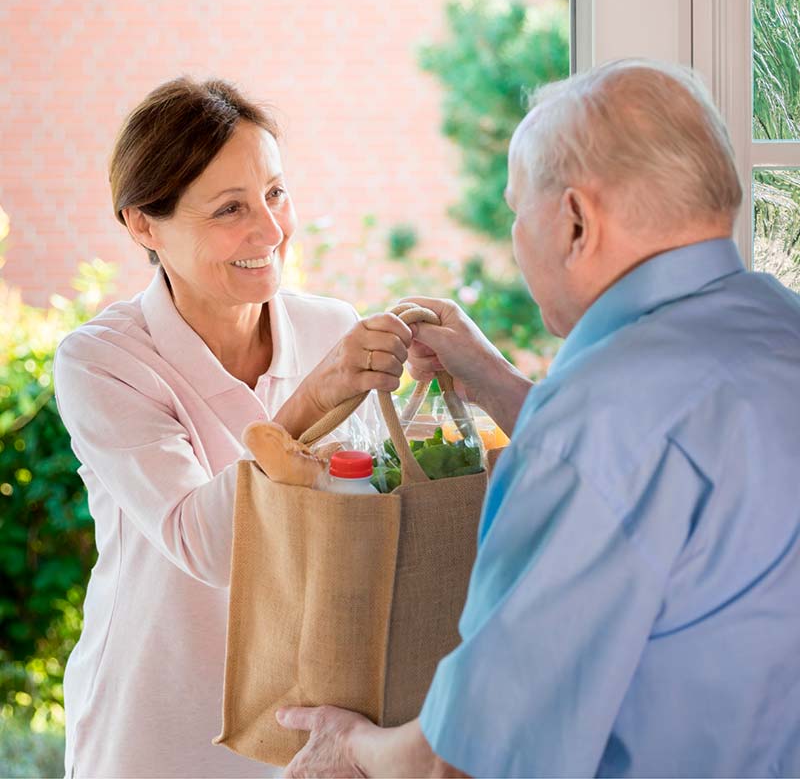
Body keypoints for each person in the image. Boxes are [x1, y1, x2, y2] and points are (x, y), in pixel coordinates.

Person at [276, 59, 800, 777]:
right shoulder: (779, 333)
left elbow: (462, 763)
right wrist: (494, 381)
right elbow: (665, 476)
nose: (516, 238)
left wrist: (353, 750)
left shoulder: (594, 425)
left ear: (577, 221)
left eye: (516, 210)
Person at [53, 77, 412, 778]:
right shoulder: (102, 361)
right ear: (143, 225)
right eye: (229, 210)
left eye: (275, 193)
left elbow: (369, 517)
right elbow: (208, 545)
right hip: (157, 726)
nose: (270, 230)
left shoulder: (327, 328)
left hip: (307, 721)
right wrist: (313, 400)